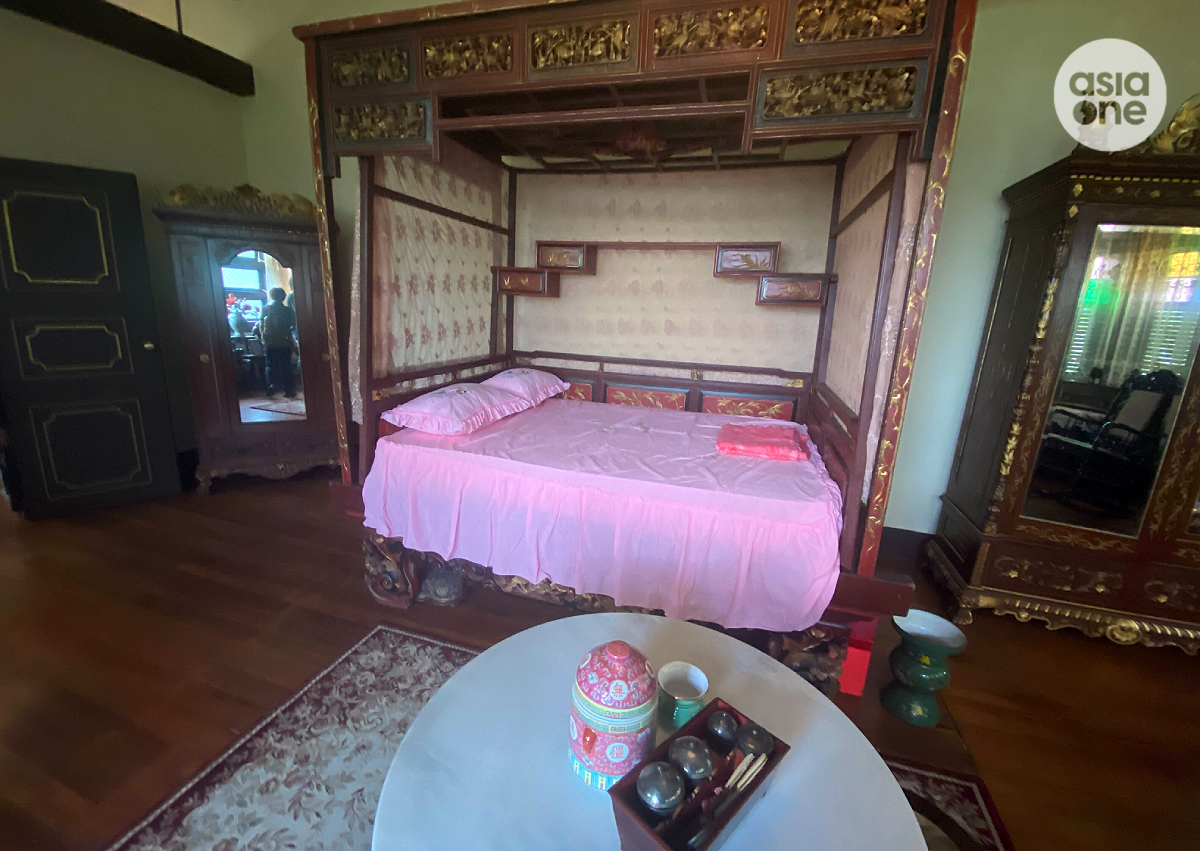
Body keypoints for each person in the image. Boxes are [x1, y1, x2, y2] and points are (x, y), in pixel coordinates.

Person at [258, 287, 297, 398]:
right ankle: (289, 389)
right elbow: (292, 325)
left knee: (271, 366)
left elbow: (261, 325)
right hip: (284, 341)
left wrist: (263, 338)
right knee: (286, 366)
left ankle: (272, 387)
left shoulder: (265, 309)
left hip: (270, 342)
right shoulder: (287, 311)